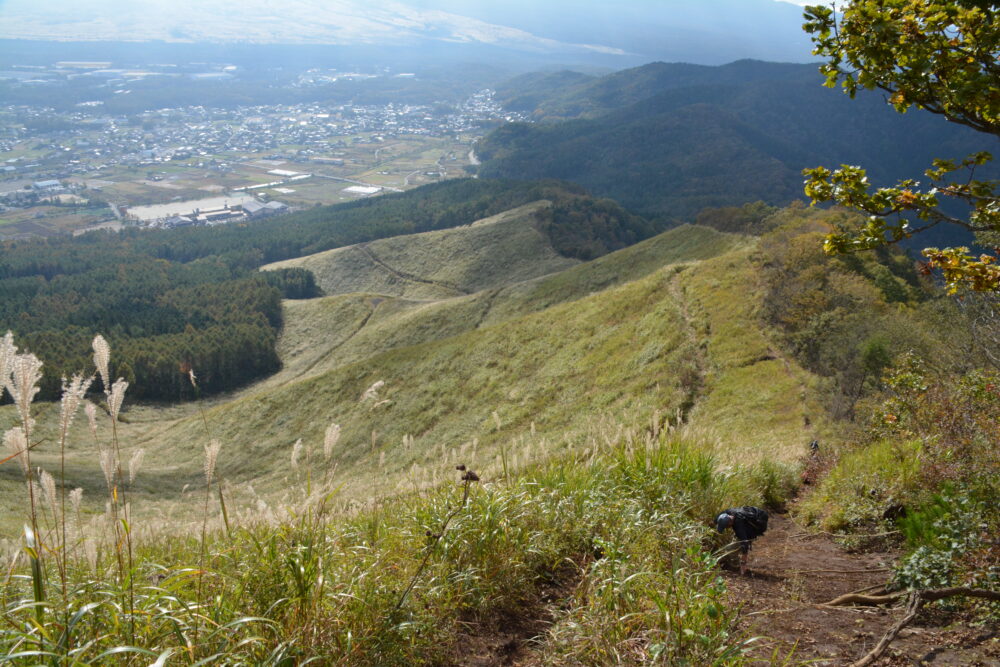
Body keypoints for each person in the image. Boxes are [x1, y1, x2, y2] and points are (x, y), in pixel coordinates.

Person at [716, 506, 769, 575]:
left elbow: (744, 544)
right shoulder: (730, 512)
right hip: (754, 517)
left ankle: (735, 567)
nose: (726, 528)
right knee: (730, 547)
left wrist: (743, 563)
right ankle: (730, 564)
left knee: (730, 549)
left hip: (755, 528)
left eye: (726, 526)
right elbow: (719, 516)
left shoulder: (739, 526)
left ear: (730, 522)